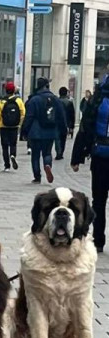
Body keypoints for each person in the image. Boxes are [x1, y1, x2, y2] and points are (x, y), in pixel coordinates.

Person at [72, 81, 109, 252]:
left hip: (100, 156)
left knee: (99, 201)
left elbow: (85, 127)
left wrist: (77, 157)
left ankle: (99, 240)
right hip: (100, 155)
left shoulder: (98, 98)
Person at [22, 77, 67, 184]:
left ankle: (37, 176)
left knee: (35, 155)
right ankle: (47, 164)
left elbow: (29, 117)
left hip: (36, 132)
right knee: (47, 152)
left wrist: (24, 131)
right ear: (47, 86)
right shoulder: (55, 99)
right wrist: (63, 130)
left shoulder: (34, 100)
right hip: (50, 131)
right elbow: (61, 116)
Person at [0, 81, 26, 172]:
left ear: (5, 90)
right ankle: (13, 155)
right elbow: (23, 113)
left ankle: (7, 165)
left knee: (4, 146)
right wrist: (19, 123)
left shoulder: (1, 102)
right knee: (13, 143)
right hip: (14, 126)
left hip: (3, 126)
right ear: (14, 90)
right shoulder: (18, 101)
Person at [57, 87, 76, 160]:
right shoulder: (69, 102)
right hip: (66, 124)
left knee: (57, 139)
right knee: (63, 139)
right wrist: (71, 127)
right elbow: (72, 116)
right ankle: (60, 152)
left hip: (57, 124)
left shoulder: (56, 101)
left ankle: (58, 152)